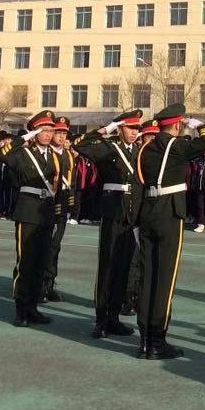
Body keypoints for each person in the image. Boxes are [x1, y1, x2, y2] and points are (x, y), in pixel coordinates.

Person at [134, 103, 205, 359]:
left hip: (148, 210)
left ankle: (145, 339)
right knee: (165, 278)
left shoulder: (146, 148)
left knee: (147, 276)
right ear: (178, 124)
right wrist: (201, 125)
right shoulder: (177, 146)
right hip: (169, 212)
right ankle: (157, 341)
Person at [72, 108, 143, 338]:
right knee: (108, 267)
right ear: (120, 128)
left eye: (137, 128)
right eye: (130, 128)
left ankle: (114, 317)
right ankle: (101, 320)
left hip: (132, 215)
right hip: (113, 212)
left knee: (124, 267)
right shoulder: (108, 148)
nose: (134, 132)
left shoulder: (140, 151)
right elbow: (80, 144)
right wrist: (106, 129)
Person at [0, 111, 61, 327]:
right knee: (25, 261)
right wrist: (24, 137)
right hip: (27, 210)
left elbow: (58, 185)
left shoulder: (55, 156)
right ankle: (21, 310)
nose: (48, 134)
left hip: (46, 211)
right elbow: (4, 154)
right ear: (34, 132)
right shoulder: (23, 153)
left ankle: (33, 307)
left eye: (51, 130)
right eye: (43, 130)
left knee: (40, 262)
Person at [43, 117, 77, 302]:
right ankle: (36, 284)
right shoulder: (45, 153)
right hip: (45, 205)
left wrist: (71, 205)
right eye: (58, 132)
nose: (62, 136)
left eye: (64, 133)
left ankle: (49, 283)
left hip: (62, 205)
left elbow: (72, 181)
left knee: (55, 246)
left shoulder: (68, 155)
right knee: (41, 246)